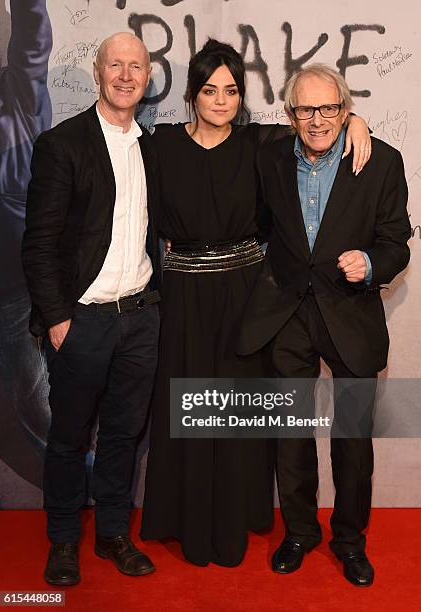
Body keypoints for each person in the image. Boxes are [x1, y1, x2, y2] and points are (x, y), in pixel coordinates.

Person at [140, 40, 371, 567]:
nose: (221, 101)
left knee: (241, 418)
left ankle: (237, 517)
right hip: (185, 299)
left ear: (242, 96)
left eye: (232, 90)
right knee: (189, 409)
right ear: (193, 95)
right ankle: (188, 519)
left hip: (247, 297)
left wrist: (360, 123)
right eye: (209, 90)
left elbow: (319, 128)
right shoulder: (161, 146)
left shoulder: (260, 145)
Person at [237, 63, 410, 585]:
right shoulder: (268, 157)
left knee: (352, 438)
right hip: (287, 314)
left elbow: (397, 241)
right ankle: (298, 531)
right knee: (289, 432)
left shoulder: (381, 162)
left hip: (351, 314)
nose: (317, 120)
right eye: (306, 109)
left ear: (345, 108)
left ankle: (350, 541)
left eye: (330, 108)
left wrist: (372, 264)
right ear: (289, 114)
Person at [22, 32, 161, 586]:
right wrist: (58, 321)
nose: (125, 76)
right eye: (115, 65)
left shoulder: (155, 147)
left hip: (141, 319)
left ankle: (112, 534)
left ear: (148, 79)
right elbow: (39, 243)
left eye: (136, 67)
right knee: (69, 437)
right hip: (82, 322)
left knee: (124, 436)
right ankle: (62, 541)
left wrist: (354, 122)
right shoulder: (64, 144)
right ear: (99, 72)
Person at [0, 0, 51, 490]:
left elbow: (32, 38)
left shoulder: (19, 98)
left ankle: (79, 483)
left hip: (14, 287)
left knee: (33, 401)